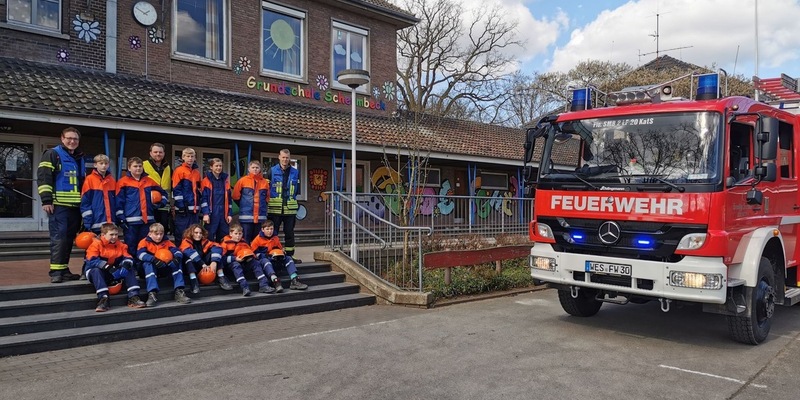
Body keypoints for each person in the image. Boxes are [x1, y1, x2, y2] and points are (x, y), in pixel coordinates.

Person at [37, 127, 86, 283]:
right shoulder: (52, 154)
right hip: (58, 205)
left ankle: (64, 269)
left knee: (69, 238)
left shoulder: (78, 157)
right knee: (59, 238)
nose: (72, 141)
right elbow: (44, 177)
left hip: (75, 206)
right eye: (69, 138)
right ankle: (56, 272)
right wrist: (46, 200)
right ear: (62, 138)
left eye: (75, 139)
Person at [84, 223, 146, 311]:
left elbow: (128, 257)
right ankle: (103, 299)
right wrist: (108, 267)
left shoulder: (120, 245)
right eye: (111, 234)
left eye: (116, 234)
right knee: (96, 270)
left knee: (129, 268)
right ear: (103, 235)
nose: (114, 237)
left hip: (113, 272)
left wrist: (126, 264)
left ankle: (134, 297)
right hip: (96, 273)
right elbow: (92, 261)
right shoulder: (95, 244)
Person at [116, 157, 168, 248]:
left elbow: (163, 193)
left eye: (140, 166)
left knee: (145, 245)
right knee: (131, 245)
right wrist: (121, 218)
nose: (138, 168)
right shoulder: (123, 182)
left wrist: (161, 203)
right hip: (131, 221)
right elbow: (119, 201)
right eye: (135, 166)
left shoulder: (149, 181)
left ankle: (143, 262)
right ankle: (131, 262)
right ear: (129, 168)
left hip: (147, 220)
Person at [136, 223, 191, 306]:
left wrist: (176, 258)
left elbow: (177, 251)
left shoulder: (167, 242)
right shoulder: (144, 242)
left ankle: (179, 291)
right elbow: (140, 255)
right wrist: (154, 259)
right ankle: (152, 293)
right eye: (156, 234)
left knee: (177, 263)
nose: (159, 237)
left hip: (163, 267)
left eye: (161, 234)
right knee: (147, 264)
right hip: (147, 270)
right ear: (150, 234)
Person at [220, 223, 276, 296]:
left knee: (255, 263)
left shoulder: (244, 243)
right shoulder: (225, 243)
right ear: (231, 234)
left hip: (244, 263)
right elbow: (221, 259)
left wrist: (250, 257)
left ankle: (264, 285)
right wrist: (234, 258)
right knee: (236, 265)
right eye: (236, 233)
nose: (238, 236)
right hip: (230, 266)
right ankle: (245, 287)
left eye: (240, 234)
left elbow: (250, 252)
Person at [251, 219, 308, 291]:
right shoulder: (257, 240)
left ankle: (294, 280)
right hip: (265, 261)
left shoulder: (275, 238)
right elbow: (253, 254)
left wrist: (282, 252)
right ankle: (276, 282)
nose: (270, 231)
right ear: (262, 229)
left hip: (275, 259)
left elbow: (280, 249)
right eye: (267, 229)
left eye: (271, 229)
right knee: (265, 261)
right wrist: (266, 255)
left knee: (288, 258)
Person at [267, 149, 301, 262]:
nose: (285, 159)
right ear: (279, 157)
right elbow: (266, 189)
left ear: (289, 158)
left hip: (290, 209)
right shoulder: (271, 171)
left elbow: (297, 190)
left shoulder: (295, 172)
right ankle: (273, 253)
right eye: (283, 157)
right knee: (273, 232)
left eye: (287, 157)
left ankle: (290, 255)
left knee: (289, 232)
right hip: (275, 208)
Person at [179, 223, 228, 293]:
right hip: (192, 267)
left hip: (204, 266)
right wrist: (202, 263)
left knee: (216, 255)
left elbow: (218, 247)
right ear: (191, 233)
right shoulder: (185, 241)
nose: (198, 235)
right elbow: (189, 252)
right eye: (196, 233)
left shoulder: (205, 241)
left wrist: (214, 262)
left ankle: (221, 277)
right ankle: (193, 281)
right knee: (188, 258)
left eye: (200, 233)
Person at [232, 160, 269, 243]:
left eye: (257, 168)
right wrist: (244, 206)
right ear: (248, 169)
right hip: (246, 217)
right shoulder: (242, 181)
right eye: (253, 167)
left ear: (260, 169)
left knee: (258, 240)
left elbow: (267, 198)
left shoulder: (265, 182)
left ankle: (257, 255)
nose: (255, 169)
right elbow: (235, 196)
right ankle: (247, 255)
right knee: (245, 239)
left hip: (260, 217)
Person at [80, 154, 116, 234]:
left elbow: (115, 202)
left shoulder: (112, 180)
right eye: (101, 163)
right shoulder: (89, 179)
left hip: (110, 222)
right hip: (95, 221)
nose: (104, 166)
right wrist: (88, 221)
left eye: (106, 163)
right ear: (95, 165)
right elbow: (85, 202)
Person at [143, 143, 173, 236]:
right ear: (150, 153)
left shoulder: (168, 167)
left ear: (164, 153)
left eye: (160, 152)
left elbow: (171, 186)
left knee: (162, 229)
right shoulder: (143, 165)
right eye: (155, 152)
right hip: (148, 202)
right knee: (150, 229)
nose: (158, 154)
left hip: (164, 204)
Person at [172, 147, 202, 240]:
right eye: (188, 156)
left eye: (192, 156)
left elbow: (199, 189)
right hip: (183, 209)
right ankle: (180, 253)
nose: (190, 158)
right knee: (181, 233)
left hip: (194, 209)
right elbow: (176, 189)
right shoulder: (179, 170)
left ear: (195, 158)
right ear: (183, 157)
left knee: (194, 234)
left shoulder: (197, 172)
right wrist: (180, 206)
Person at [200, 158, 233, 243]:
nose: (219, 168)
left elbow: (229, 200)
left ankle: (222, 254)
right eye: (216, 166)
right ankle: (209, 254)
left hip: (223, 214)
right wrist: (206, 213)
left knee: (224, 236)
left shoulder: (225, 180)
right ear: (211, 167)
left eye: (220, 166)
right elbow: (204, 199)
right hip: (212, 213)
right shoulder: (206, 181)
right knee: (209, 235)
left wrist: (229, 214)